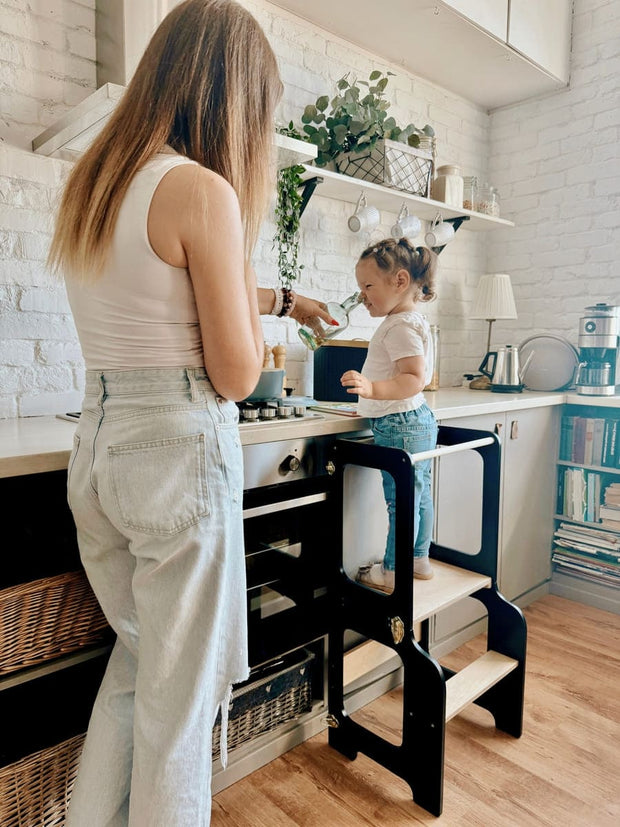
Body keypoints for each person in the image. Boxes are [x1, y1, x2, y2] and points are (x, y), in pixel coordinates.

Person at [47, 2, 333, 824]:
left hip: (100, 446)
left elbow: (162, 298)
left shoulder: (97, 183)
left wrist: (274, 293)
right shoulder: (203, 192)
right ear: (232, 98)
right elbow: (237, 374)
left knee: (141, 668)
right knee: (181, 710)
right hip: (172, 449)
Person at [340, 238, 439, 591]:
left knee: (402, 501)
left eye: (368, 286)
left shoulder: (397, 325)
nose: (363, 295)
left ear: (399, 281)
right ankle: (419, 559)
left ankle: (393, 571)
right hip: (415, 420)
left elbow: (411, 378)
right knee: (419, 494)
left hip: (401, 423)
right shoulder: (410, 320)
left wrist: (372, 390)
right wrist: (371, 401)